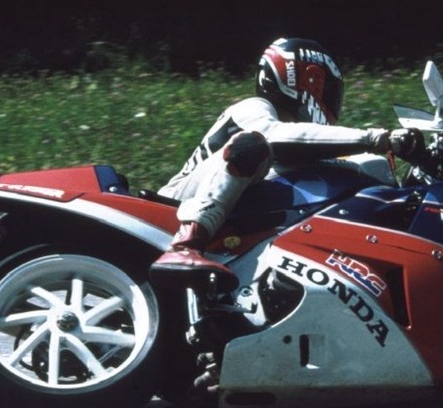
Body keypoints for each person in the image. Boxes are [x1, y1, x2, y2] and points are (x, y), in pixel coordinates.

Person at [149, 37, 422, 294]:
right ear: (310, 79)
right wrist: (375, 139)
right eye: (327, 89)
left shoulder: (293, 148)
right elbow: (275, 136)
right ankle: (185, 246)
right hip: (174, 206)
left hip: (225, 221)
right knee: (250, 145)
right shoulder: (255, 108)